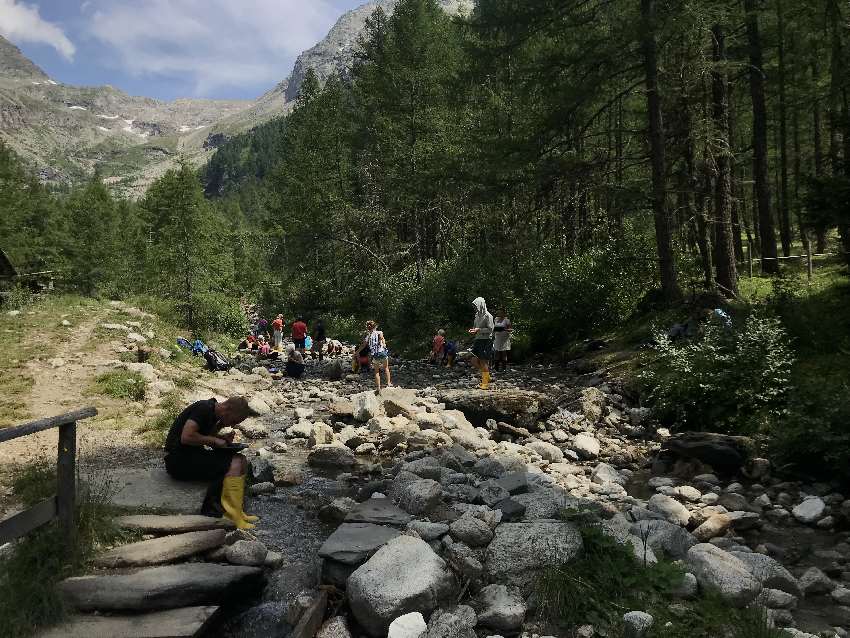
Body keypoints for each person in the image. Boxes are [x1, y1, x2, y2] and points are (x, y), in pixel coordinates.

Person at [164, 396, 258, 529]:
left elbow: (204, 436)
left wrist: (221, 438)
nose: (232, 425)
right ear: (227, 409)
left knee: (241, 459)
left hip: (192, 455)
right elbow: (186, 437)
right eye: (233, 420)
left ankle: (237, 511)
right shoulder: (204, 409)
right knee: (235, 463)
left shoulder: (214, 414)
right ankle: (228, 514)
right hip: (178, 461)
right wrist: (214, 441)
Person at [468, 297, 494, 389]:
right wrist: (474, 330)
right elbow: (476, 327)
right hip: (478, 339)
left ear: (481, 305)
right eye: (474, 306)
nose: (475, 308)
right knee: (473, 360)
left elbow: (491, 329)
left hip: (486, 340)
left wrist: (479, 330)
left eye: (476, 306)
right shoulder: (476, 315)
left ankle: (485, 383)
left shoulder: (488, 316)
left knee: (483, 361)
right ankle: (486, 375)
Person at [362, 320, 392, 394]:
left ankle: (378, 387)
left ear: (368, 328)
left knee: (376, 372)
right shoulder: (379, 332)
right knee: (386, 368)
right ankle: (388, 383)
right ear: (375, 326)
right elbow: (382, 338)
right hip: (382, 353)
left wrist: (356, 352)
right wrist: (384, 344)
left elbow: (363, 345)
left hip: (375, 355)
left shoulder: (368, 336)